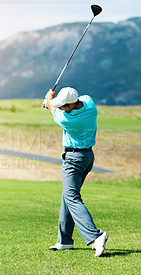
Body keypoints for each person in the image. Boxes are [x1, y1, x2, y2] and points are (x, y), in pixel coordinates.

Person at [44, 87, 108, 257]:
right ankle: (64, 240)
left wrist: (48, 100)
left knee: (72, 197)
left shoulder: (68, 120)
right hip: (88, 157)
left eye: (64, 106)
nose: (62, 109)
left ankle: (96, 235)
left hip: (74, 159)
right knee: (68, 195)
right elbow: (57, 107)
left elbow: (53, 110)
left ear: (72, 104)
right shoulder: (89, 103)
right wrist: (53, 102)